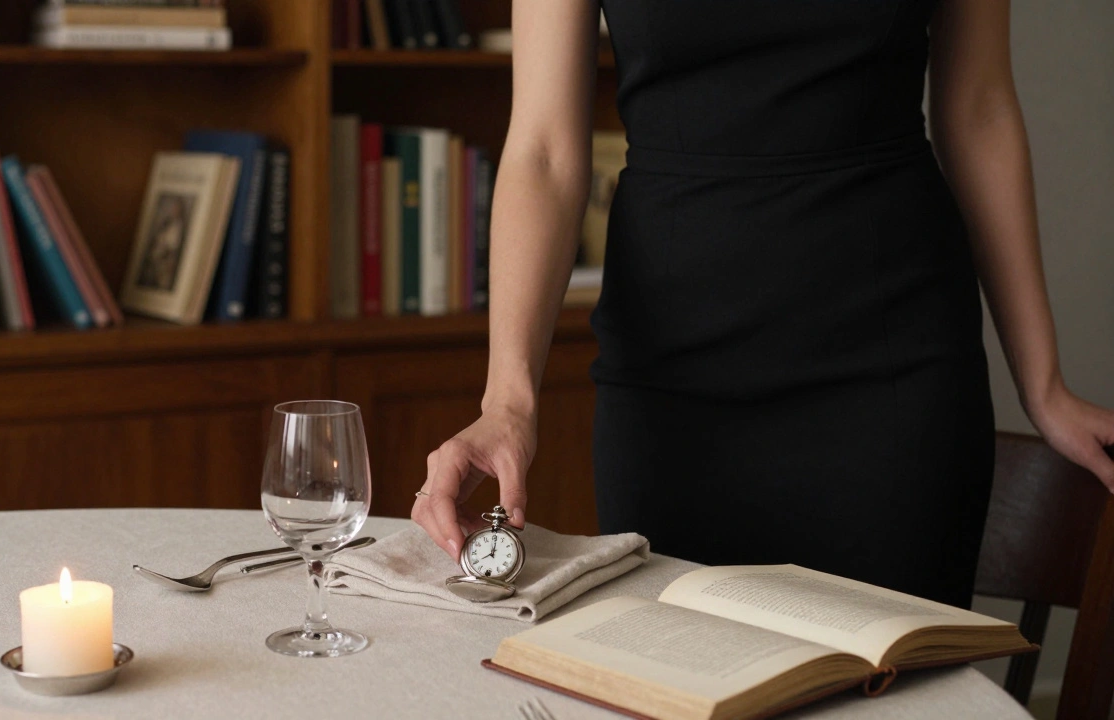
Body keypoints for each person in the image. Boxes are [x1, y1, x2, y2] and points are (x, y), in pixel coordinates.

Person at [410, 0, 1114, 607]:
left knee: (893, 695)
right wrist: (508, 402)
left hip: (894, 371)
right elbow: (542, 152)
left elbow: (980, 109)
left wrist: (1042, 383)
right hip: (673, 389)